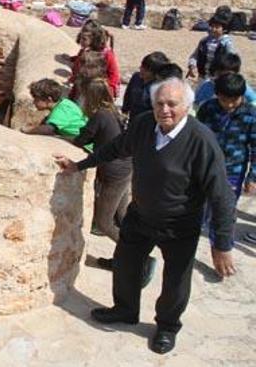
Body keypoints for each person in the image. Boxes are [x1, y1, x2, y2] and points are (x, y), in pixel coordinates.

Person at [54, 78, 236, 355]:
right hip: (140, 216)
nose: (164, 110)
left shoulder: (202, 141)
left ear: (186, 106)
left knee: (176, 281)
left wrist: (222, 244)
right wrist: (80, 165)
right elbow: (116, 148)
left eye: (172, 104)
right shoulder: (143, 125)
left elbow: (221, 195)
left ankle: (167, 326)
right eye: (159, 103)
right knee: (125, 265)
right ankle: (125, 310)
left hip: (179, 225)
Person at [71, 79, 143, 273]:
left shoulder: (100, 115)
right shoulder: (112, 111)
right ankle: (130, 257)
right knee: (122, 216)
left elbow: (82, 139)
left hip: (114, 173)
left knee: (104, 222)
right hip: (126, 168)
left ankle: (137, 257)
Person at [196, 73, 256, 245]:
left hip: (232, 173)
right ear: (217, 95)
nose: (229, 105)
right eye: (224, 100)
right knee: (198, 209)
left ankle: (221, 246)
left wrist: (252, 177)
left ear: (242, 96)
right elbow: (195, 137)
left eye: (233, 100)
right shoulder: (208, 109)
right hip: (204, 168)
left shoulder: (251, 115)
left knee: (224, 211)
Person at [22, 78, 87, 140]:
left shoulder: (61, 110)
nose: (34, 102)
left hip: (83, 143)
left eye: (36, 99)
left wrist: (29, 131)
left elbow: (48, 129)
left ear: (49, 99)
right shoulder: (64, 102)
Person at [122, 52, 169, 120]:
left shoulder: (159, 87)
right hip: (133, 120)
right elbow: (128, 96)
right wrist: (124, 111)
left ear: (155, 73)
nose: (141, 69)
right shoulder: (136, 77)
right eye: (142, 66)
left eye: (146, 70)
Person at [187, 15, 234, 80]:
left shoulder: (226, 43)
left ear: (224, 29)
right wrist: (192, 66)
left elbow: (231, 62)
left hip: (218, 78)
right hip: (203, 76)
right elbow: (195, 56)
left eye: (217, 27)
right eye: (212, 26)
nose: (213, 29)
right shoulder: (204, 41)